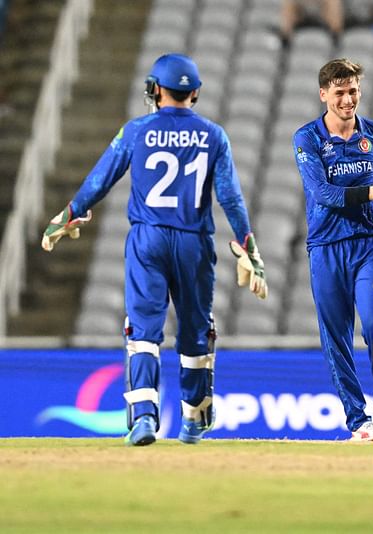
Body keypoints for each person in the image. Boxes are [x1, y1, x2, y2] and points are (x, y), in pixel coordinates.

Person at [41, 53, 268, 447]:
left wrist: (70, 213)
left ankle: (143, 417)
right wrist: (249, 245)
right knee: (196, 333)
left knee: (143, 331)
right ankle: (194, 419)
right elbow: (230, 197)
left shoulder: (136, 130)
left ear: (156, 89)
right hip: (194, 243)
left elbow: (101, 179)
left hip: (148, 240)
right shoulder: (213, 135)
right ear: (194, 92)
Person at [292, 58, 373, 441]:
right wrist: (372, 192)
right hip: (325, 247)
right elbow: (321, 194)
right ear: (324, 94)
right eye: (339, 92)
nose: (347, 99)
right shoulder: (307, 138)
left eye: (353, 91)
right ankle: (358, 419)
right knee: (336, 335)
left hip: (368, 245)